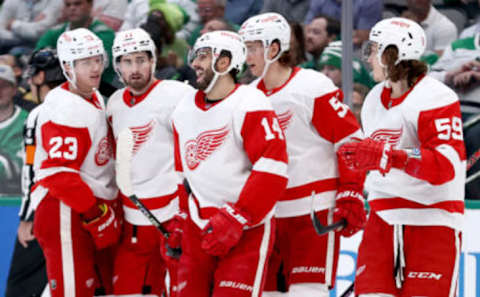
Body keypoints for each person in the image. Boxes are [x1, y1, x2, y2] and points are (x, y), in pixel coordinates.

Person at [239, 12, 366, 297]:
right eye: (245, 47)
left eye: (252, 47)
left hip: (313, 212)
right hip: (268, 216)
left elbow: (349, 139)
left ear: (274, 48)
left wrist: (351, 190)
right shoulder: (247, 97)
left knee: (308, 292)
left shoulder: (311, 87)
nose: (246, 55)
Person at [339, 17, 465, 297]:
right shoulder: (373, 99)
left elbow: (446, 166)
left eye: (373, 50)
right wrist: (353, 193)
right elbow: (369, 158)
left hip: (432, 223)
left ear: (392, 53)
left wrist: (390, 156)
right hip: (382, 223)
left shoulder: (436, 97)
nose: (369, 58)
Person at [172, 30, 288, 297]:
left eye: (202, 56)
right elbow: (181, 173)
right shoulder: (183, 108)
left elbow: (274, 168)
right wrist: (180, 216)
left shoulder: (250, 102)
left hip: (246, 229)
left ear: (224, 62)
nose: (194, 64)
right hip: (197, 227)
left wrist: (238, 216)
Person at [31, 28, 121, 297]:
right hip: (65, 210)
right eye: (85, 62)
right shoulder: (65, 108)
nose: (95, 68)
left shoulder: (91, 94)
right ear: (68, 66)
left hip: (84, 207)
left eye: (97, 59)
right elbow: (58, 174)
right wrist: (96, 215)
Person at [107, 27, 194, 297]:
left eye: (141, 60)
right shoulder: (113, 104)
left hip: (172, 220)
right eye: (127, 61)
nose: (135, 69)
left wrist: (184, 211)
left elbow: (192, 158)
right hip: (132, 223)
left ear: (153, 61)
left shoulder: (178, 96)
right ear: (117, 65)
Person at [5, 48, 65, 297]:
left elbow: (32, 172)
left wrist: (27, 218)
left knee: (20, 285)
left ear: (41, 77)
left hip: (47, 212)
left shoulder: (39, 114)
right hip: (85, 214)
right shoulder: (90, 106)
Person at [35, 0, 117, 96]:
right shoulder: (55, 32)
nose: (72, 8)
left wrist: (54, 59)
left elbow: (97, 66)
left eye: (77, 4)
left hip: (101, 91)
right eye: (68, 5)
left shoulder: (105, 33)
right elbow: (37, 58)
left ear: (90, 5)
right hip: (61, 89)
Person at [0, 64, 28, 195]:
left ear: (14, 89)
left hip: (15, 199)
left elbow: (22, 164)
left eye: (4, 86)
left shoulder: (28, 121)